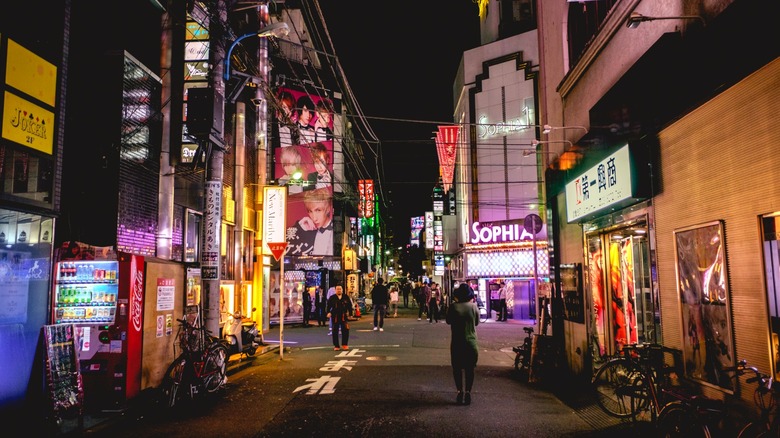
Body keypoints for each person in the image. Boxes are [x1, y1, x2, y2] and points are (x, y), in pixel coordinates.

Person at [446, 282, 479, 406]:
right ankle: (468, 393)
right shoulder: (473, 307)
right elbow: (477, 323)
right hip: (471, 342)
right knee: (470, 369)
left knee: (457, 368)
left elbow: (448, 321)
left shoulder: (453, 307)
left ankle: (459, 391)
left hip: (457, 342)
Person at [286, 188, 333, 256]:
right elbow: (286, 243)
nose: (314, 218)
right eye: (310, 211)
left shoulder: (335, 230)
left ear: (328, 209)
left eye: (318, 210)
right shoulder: (307, 228)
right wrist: (299, 226)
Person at [326, 285, 352, 350]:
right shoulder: (332, 297)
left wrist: (350, 314)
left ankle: (344, 344)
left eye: (340, 289)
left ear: (342, 290)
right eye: (337, 289)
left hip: (344, 315)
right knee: (335, 331)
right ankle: (336, 346)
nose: (339, 290)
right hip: (335, 316)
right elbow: (328, 306)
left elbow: (349, 306)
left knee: (345, 330)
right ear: (335, 290)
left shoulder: (345, 297)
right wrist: (328, 312)